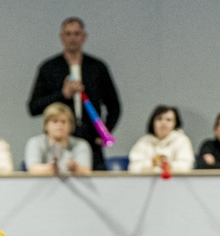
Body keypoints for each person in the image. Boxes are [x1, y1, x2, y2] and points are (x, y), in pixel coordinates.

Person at [27, 17, 121, 168]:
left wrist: (104, 131)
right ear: (62, 37)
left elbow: (114, 105)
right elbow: (33, 107)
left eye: (76, 34)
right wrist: (62, 95)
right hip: (59, 140)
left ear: (84, 37)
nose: (72, 38)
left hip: (91, 139)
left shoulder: (97, 68)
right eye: (68, 34)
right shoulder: (49, 68)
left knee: (96, 179)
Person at [24, 102, 92, 175]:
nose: (59, 125)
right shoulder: (35, 142)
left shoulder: (81, 144)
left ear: (71, 125)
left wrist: (76, 168)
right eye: (55, 121)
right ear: (46, 125)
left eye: (63, 122)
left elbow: (87, 170)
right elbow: (32, 168)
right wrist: (50, 168)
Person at [127, 106, 194, 174]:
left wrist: (168, 165)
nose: (163, 123)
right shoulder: (143, 142)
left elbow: (187, 166)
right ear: (153, 122)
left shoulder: (182, 141)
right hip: (146, 180)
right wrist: (152, 163)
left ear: (175, 124)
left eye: (168, 120)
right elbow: (133, 168)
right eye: (159, 119)